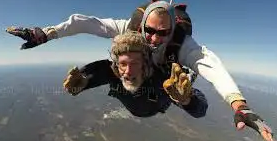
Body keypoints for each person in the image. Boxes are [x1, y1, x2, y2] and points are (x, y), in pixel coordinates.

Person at [6, 0, 276, 141]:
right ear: (142, 24)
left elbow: (211, 66)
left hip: (157, 91)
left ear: (172, 31)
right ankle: (82, 83)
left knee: (184, 94)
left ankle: (182, 98)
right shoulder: (128, 28)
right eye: (149, 30)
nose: (155, 38)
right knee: (107, 65)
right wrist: (45, 34)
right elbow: (86, 23)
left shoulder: (182, 45)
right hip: (133, 78)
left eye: (163, 33)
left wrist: (239, 105)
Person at [62, 30, 208, 118]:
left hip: (155, 108)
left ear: (145, 63)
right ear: (116, 64)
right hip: (142, 108)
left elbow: (200, 110)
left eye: (135, 63)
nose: (128, 72)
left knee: (178, 83)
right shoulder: (110, 70)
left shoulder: (161, 78)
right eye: (123, 64)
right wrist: (78, 86)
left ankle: (189, 74)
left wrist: (186, 99)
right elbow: (88, 77)